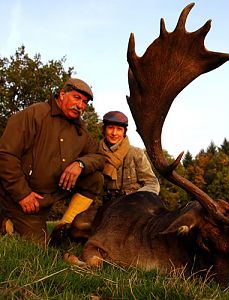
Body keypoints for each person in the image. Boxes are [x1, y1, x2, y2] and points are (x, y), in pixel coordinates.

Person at [0, 78, 104, 245]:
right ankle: (7, 224)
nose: (80, 106)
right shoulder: (35, 113)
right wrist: (22, 194)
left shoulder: (81, 129)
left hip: (51, 194)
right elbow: (5, 155)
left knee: (94, 179)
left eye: (84, 102)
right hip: (24, 198)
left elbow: (99, 157)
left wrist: (80, 164)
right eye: (76, 98)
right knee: (39, 248)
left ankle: (63, 228)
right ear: (62, 95)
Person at [99, 110, 160, 202]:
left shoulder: (136, 153)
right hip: (106, 205)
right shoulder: (95, 152)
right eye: (110, 128)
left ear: (124, 132)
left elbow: (152, 183)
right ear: (103, 130)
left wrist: (135, 198)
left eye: (119, 129)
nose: (114, 133)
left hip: (133, 204)